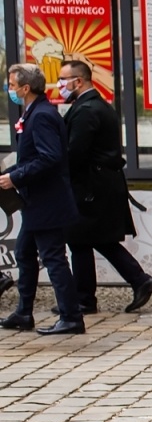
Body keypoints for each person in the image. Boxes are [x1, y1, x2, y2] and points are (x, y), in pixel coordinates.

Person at [58, 59, 152, 314]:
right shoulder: (95, 105)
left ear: (78, 81)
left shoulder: (87, 110)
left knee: (80, 240)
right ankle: (138, 280)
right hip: (98, 183)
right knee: (97, 239)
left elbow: (75, 152)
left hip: (91, 186)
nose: (59, 85)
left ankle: (86, 299)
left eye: (62, 80)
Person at [1, 63, 84, 334]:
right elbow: (32, 156)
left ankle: (71, 317)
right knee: (24, 253)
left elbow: (50, 157)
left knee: (53, 258)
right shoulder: (34, 112)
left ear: (26, 88)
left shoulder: (42, 116)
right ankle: (24, 313)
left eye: (12, 85)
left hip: (47, 201)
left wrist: (16, 177)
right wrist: (11, 173)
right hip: (36, 202)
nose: (9, 89)